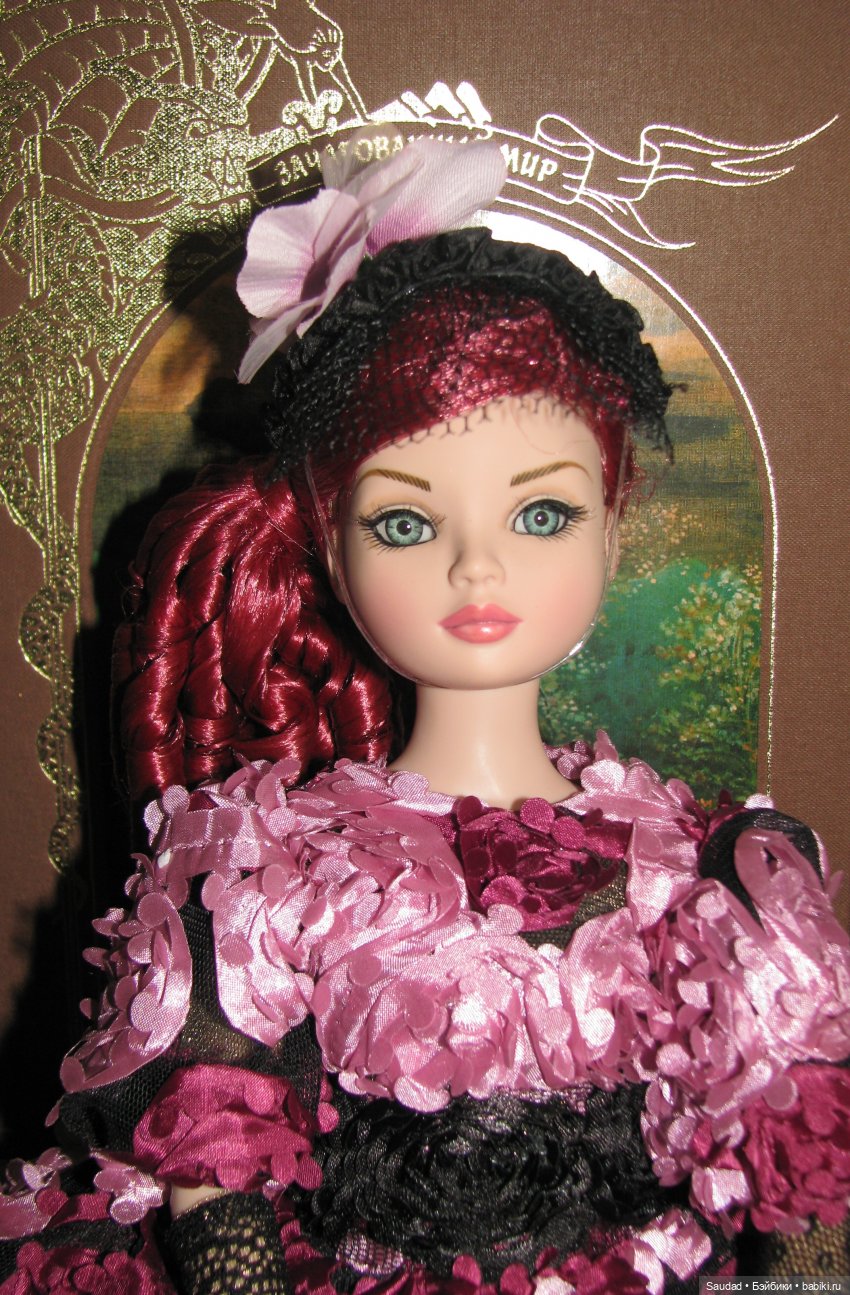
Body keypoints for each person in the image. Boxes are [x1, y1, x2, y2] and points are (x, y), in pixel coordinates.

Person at [1, 134, 848, 1295]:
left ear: (612, 527)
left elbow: (802, 1201)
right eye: (404, 523)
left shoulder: (714, 879)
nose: (475, 568)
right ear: (330, 548)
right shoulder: (264, 874)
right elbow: (215, 1174)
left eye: (540, 515)